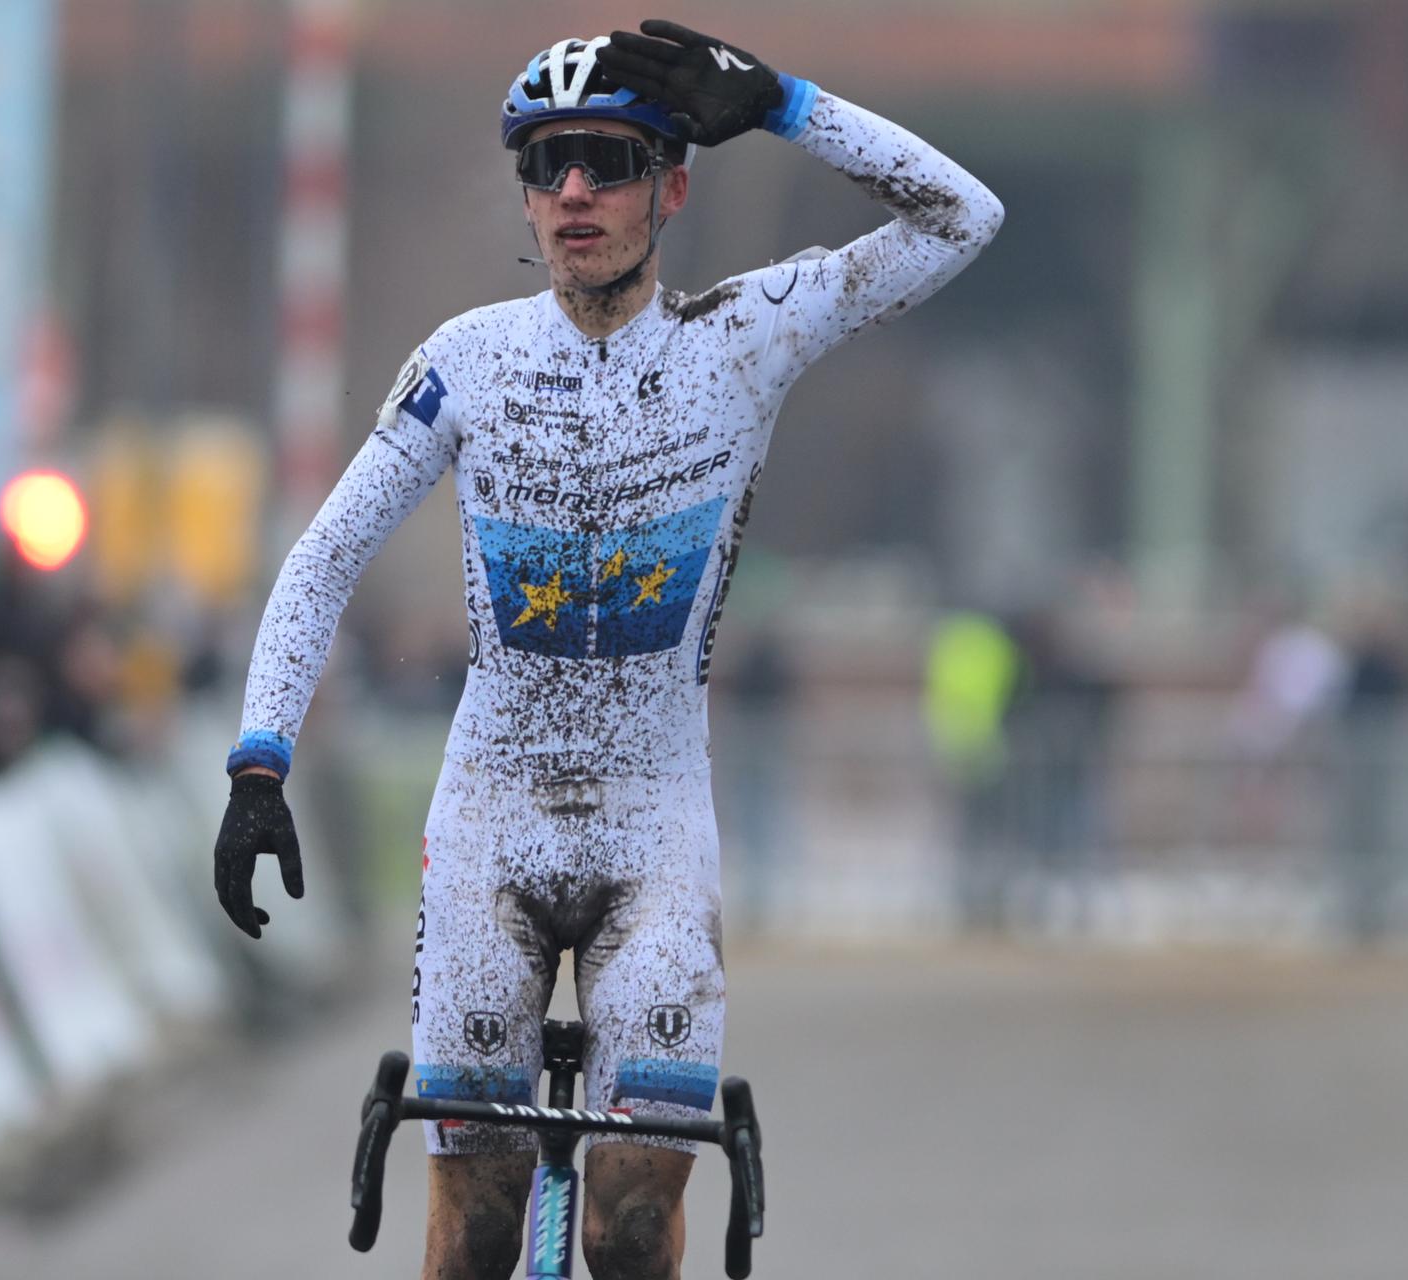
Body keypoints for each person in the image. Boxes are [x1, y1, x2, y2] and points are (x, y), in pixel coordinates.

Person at [212, 20, 1001, 1279]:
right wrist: (259, 763)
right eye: (548, 163)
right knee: (473, 1234)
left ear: (672, 188)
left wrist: (789, 105)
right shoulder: (467, 361)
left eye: (611, 160)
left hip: (654, 830)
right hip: (492, 821)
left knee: (631, 1228)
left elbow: (963, 218)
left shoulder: (742, 336)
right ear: (526, 197)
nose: (575, 189)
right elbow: (324, 555)